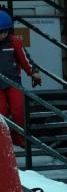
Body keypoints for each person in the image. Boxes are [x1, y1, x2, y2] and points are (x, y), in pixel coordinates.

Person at [0, 10, 42, 147]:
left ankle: (19, 136)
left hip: (13, 83)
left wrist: (33, 72)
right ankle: (4, 140)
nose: (2, 36)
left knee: (18, 110)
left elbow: (25, 60)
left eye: (4, 32)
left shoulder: (14, 42)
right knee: (2, 113)